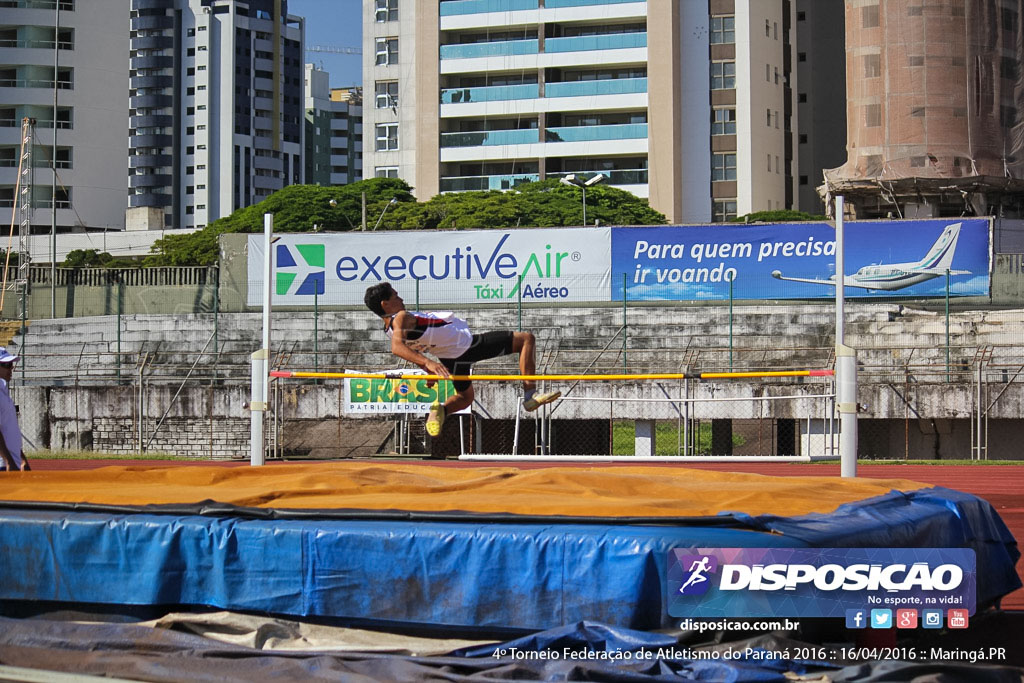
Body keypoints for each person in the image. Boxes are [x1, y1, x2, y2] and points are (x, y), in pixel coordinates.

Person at [364, 282, 560, 437]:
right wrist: (427, 363)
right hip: (469, 346)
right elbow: (397, 348)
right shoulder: (400, 317)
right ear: (385, 304)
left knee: (465, 398)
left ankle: (439, 411)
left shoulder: (388, 329)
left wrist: (428, 369)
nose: (401, 298)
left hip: (451, 358)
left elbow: (409, 346)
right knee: (526, 339)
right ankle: (529, 396)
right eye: (396, 295)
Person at [0, 346, 28, 472]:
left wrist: (22, 459)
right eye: (6, 365)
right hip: (3, 465)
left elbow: (8, 430)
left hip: (11, 463)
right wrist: (8, 461)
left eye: (11, 364)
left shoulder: (3, 391)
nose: (11, 368)